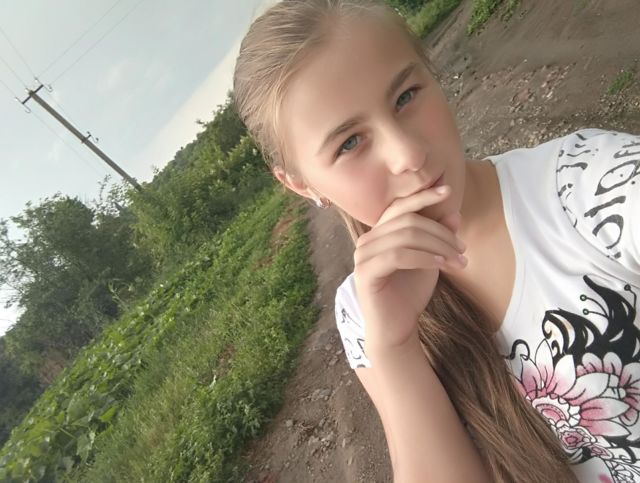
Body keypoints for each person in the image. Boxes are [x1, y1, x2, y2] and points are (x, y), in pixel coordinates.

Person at [232, 1, 639, 481]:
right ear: (302, 184)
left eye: (405, 96)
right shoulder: (362, 313)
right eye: (349, 143)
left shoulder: (596, 189)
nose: (408, 154)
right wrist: (395, 349)